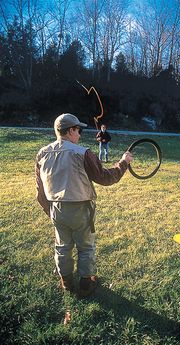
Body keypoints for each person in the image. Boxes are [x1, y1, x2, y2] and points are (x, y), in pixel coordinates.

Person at [35, 113, 133, 297]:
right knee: (86, 247)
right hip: (80, 209)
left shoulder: (42, 153)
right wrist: (124, 163)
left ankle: (66, 281)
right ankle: (87, 283)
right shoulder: (83, 153)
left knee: (62, 246)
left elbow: (39, 190)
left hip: (56, 209)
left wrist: (50, 211)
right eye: (78, 130)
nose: (79, 134)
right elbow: (105, 178)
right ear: (70, 130)